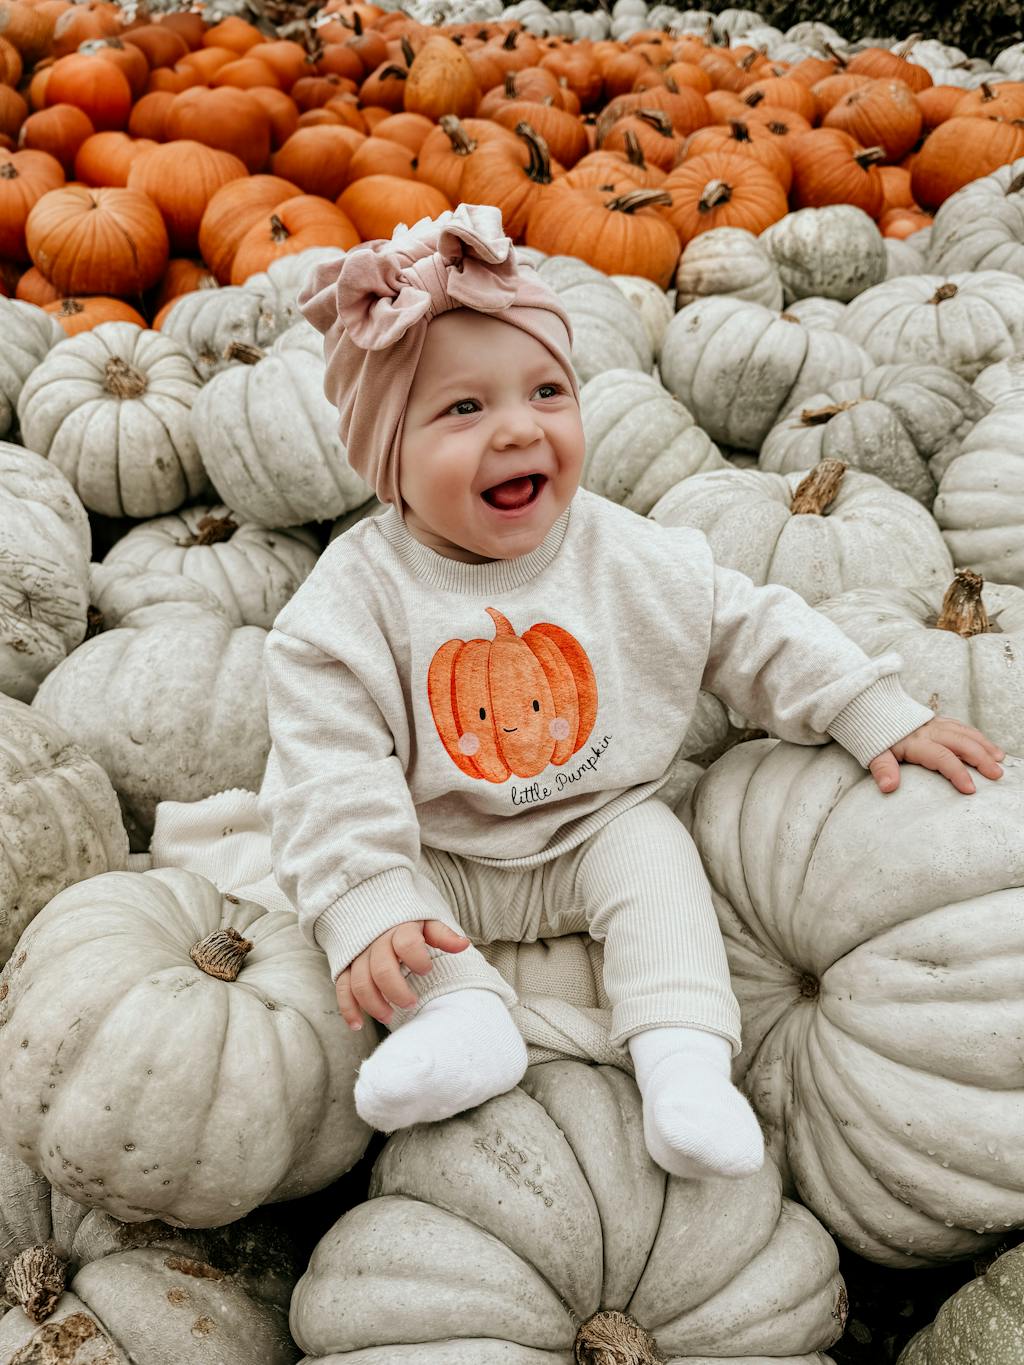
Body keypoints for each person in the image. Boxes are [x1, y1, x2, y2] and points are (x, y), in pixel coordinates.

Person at [256, 203, 1005, 1183]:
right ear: (386, 454)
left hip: (594, 825)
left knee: (658, 861)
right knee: (373, 917)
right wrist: (366, 903)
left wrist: (865, 710)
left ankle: (683, 1060)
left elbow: (744, 623)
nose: (519, 428)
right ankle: (459, 1016)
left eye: (545, 392)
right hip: (441, 846)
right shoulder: (346, 608)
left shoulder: (623, 551)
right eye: (463, 409)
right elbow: (330, 776)